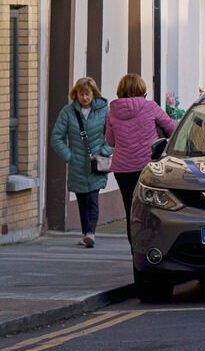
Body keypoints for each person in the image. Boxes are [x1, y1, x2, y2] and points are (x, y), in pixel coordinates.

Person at [104, 74, 176, 231]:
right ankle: (150, 249)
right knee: (151, 209)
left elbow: (110, 141)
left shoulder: (113, 111)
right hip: (147, 167)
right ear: (141, 89)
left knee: (131, 210)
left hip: (123, 169)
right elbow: (172, 129)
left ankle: (134, 251)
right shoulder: (150, 107)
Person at [49, 78, 112, 247]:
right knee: (82, 200)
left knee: (92, 198)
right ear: (75, 94)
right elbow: (56, 137)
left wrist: (104, 152)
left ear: (94, 94)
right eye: (81, 94)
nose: (84, 97)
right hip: (77, 164)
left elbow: (113, 136)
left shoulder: (104, 111)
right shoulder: (68, 112)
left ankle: (91, 233)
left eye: (87, 94)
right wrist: (69, 156)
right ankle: (86, 233)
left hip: (96, 164)